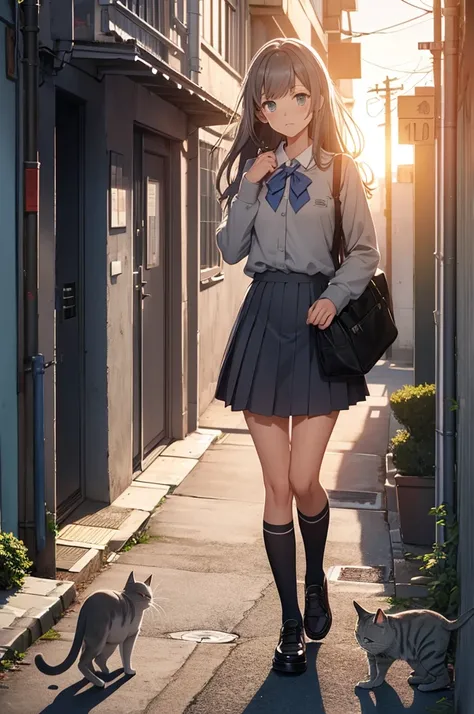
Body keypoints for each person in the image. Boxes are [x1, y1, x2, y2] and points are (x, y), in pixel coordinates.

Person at [214, 38, 380, 675]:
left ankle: (316, 580)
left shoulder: (339, 172)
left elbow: (364, 251)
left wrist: (335, 298)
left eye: (300, 95)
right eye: (274, 97)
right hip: (263, 321)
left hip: (317, 324)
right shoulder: (254, 174)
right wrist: (248, 188)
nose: (288, 107)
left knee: (306, 480)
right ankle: (288, 622)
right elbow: (230, 251)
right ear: (260, 105)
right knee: (275, 484)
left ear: (315, 100)